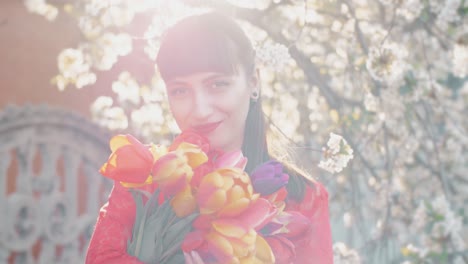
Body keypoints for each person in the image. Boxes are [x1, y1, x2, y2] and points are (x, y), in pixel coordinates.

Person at [86, 12, 333, 264]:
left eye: (218, 84)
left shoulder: (303, 199)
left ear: (253, 83)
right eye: (180, 90)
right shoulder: (144, 180)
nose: (200, 110)